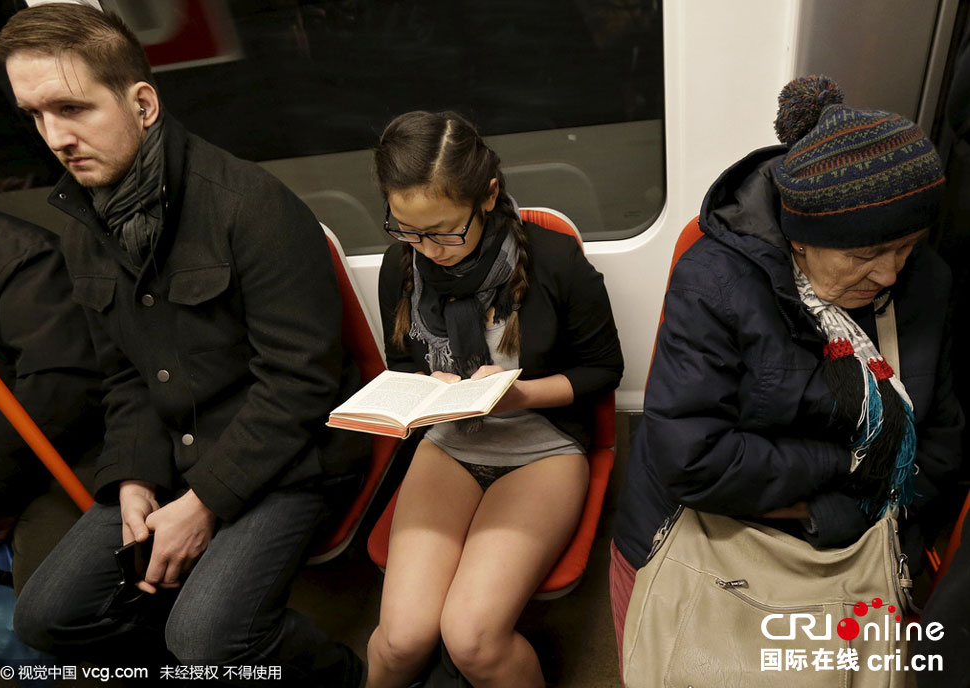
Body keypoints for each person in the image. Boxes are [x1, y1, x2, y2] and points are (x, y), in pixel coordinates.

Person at [0, 4, 367, 684]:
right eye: (36, 115)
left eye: (72, 108)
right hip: (171, 451)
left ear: (142, 104)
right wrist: (134, 477)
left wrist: (203, 503)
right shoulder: (84, 221)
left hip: (287, 456)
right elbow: (124, 375)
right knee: (45, 617)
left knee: (206, 635)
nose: (55, 137)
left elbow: (299, 386)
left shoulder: (252, 205)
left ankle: (340, 677)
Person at [610, 76, 964, 667]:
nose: (889, 274)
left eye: (906, 247)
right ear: (799, 241)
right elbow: (693, 459)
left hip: (858, 535)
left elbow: (942, 442)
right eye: (865, 255)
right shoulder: (717, 281)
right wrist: (850, 470)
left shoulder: (926, 282)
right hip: (710, 533)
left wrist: (850, 511)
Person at [367, 111, 623, 688]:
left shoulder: (555, 261)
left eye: (443, 231)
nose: (428, 249)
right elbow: (402, 361)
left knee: (473, 640)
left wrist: (521, 393)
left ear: (487, 196)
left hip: (542, 448)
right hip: (449, 442)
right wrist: (425, 389)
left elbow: (604, 371)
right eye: (408, 231)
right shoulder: (400, 266)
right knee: (400, 641)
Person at [0, 209, 103, 596]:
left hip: (63, 453)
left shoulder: (26, 258)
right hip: (8, 457)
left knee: (51, 598)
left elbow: (60, 396)